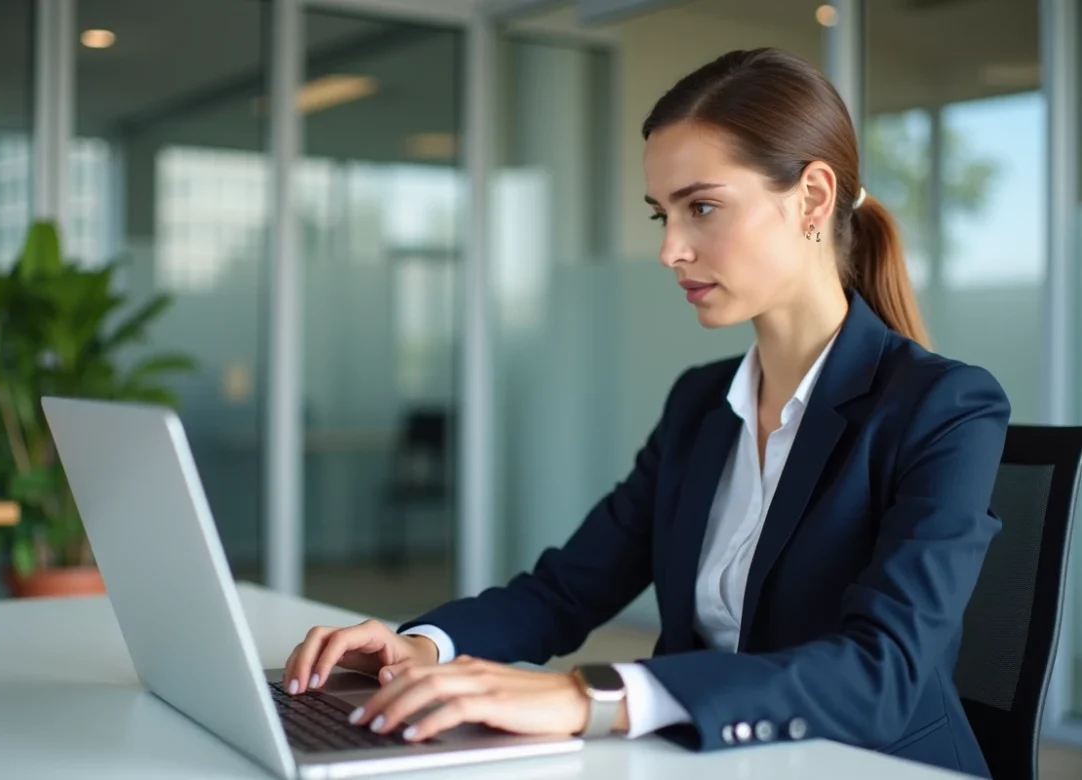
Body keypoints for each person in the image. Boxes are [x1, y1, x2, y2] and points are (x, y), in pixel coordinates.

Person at [282, 47, 1009, 778]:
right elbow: (568, 588)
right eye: (662, 214)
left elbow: (882, 673)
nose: (669, 249)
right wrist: (427, 645)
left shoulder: (943, 407)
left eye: (703, 208)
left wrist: (590, 697)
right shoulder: (701, 404)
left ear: (813, 199)